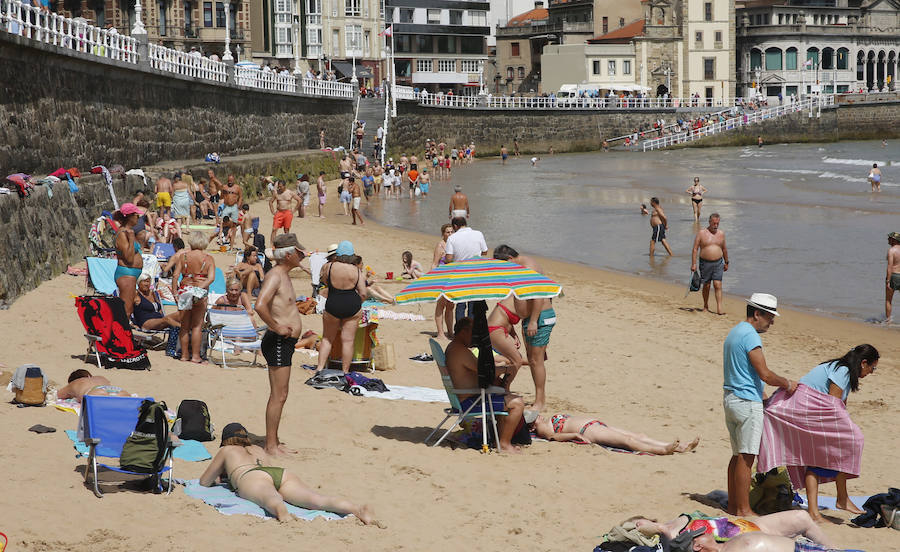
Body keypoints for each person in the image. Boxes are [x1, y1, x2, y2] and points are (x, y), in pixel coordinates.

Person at [758, 344, 878, 522]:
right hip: (805, 410)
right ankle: (839, 500)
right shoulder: (843, 370)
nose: (872, 372)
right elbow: (832, 405)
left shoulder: (842, 370)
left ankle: (821, 509)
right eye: (872, 368)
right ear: (863, 363)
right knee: (854, 440)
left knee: (818, 458)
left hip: (810, 411)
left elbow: (840, 407)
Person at [199, 423, 375, 524]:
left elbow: (204, 482)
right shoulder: (256, 448)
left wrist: (222, 476)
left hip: (251, 476)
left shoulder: (227, 450)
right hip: (279, 473)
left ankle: (281, 511)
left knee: (269, 497)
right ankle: (356, 509)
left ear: (225, 440)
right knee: (316, 499)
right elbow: (266, 472)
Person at [723, 293, 796, 517]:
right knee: (747, 458)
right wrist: (787, 383)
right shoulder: (751, 336)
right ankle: (744, 509)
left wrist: (762, 394)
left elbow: (744, 372)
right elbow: (764, 373)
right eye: (769, 317)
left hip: (731, 397)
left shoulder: (734, 332)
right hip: (746, 403)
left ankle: (733, 505)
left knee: (737, 456)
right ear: (757, 314)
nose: (772, 322)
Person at [254, 234, 306, 456]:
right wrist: (276, 327)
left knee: (281, 394)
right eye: (299, 252)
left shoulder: (283, 274)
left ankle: (273, 441)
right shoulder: (275, 275)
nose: (302, 255)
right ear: (289, 254)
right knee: (278, 395)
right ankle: (270, 445)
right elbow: (260, 305)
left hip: (284, 342)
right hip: (277, 341)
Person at [445, 317, 525, 453]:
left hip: (465, 398)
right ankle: (504, 444)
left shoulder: (454, 348)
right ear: (464, 331)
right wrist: (506, 369)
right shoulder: (460, 351)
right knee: (517, 403)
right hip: (470, 403)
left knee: (503, 394)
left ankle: (499, 440)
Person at [493, 245, 555, 413]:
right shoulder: (520, 266)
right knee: (534, 360)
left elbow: (538, 296)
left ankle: (540, 402)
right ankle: (539, 399)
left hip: (539, 318)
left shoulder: (528, 267)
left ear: (510, 260)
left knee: (536, 361)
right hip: (531, 319)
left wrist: (534, 321)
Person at [633, 510, 836, 551]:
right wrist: (659, 528)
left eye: (638, 521)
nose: (639, 525)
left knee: (801, 517)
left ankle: (834, 549)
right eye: (636, 526)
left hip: (756, 526)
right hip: (745, 543)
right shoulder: (673, 539)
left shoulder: (682, 519)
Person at [531, 413, 698, 454]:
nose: (538, 416)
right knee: (628, 440)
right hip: (587, 430)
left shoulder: (543, 422)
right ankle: (663, 450)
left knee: (639, 435)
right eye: (534, 418)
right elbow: (553, 437)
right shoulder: (541, 429)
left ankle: (680, 447)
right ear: (531, 427)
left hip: (594, 424)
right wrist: (574, 435)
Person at [316, 241, 366, 374]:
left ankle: (320, 368)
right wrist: (358, 302)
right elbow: (363, 292)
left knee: (327, 338)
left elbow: (324, 282)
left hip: (333, 303)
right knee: (348, 341)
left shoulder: (329, 266)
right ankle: (345, 371)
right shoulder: (356, 270)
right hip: (352, 305)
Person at [171, 232, 215, 363]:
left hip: (185, 289)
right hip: (199, 291)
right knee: (197, 326)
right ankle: (195, 356)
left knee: (184, 325)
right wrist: (200, 288)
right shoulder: (208, 258)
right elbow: (211, 278)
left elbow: (175, 275)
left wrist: (175, 292)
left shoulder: (183, 256)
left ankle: (184, 355)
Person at [445, 217, 488, 321]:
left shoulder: (452, 238)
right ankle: (472, 329)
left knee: (460, 303)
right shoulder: (478, 234)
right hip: (476, 272)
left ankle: (460, 330)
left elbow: (449, 258)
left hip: (460, 273)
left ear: (455, 226)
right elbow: (485, 251)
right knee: (473, 303)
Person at [691, 213, 729, 315]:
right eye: (714, 223)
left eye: (717, 223)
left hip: (718, 263)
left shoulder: (721, 234)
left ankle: (719, 308)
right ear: (709, 222)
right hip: (705, 263)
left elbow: (724, 249)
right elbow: (695, 249)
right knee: (706, 285)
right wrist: (694, 264)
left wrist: (727, 262)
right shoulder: (702, 233)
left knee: (717, 284)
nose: (716, 225)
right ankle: (705, 305)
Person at [113, 203, 144, 318]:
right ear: (130, 217)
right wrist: (131, 240)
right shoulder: (122, 234)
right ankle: (119, 334)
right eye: (137, 216)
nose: (138, 219)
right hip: (126, 274)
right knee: (126, 310)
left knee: (128, 309)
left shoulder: (129, 231)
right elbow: (129, 258)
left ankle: (121, 333)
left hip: (131, 274)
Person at [487, 295, 527, 378]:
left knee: (513, 359)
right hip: (495, 329)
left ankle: (499, 380)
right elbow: (525, 316)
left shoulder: (517, 298)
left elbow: (508, 318)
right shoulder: (519, 298)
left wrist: (514, 335)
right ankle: (505, 386)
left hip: (499, 330)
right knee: (517, 361)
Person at [432, 224, 455, 339]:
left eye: (451, 232)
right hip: (441, 279)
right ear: (443, 234)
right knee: (441, 305)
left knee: (451, 306)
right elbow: (435, 263)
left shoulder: (454, 245)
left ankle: (450, 332)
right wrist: (432, 279)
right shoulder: (440, 246)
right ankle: (440, 332)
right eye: (447, 232)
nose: (450, 234)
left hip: (452, 279)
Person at [57, 369, 131, 402]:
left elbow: (56, 394)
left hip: (95, 392)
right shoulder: (100, 377)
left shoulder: (75, 383)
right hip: (117, 390)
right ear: (89, 375)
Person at [268, 180, 300, 245]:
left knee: (286, 229)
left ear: (284, 186)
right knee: (274, 229)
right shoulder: (276, 193)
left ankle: (286, 244)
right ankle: (272, 245)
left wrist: (294, 210)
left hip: (287, 212)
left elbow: (299, 200)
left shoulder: (290, 193)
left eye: (281, 186)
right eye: (278, 187)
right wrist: (273, 212)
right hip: (279, 212)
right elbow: (271, 202)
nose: (279, 188)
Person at [885, 231, 900, 322]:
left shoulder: (892, 250)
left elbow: (889, 266)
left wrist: (888, 281)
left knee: (888, 300)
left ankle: (888, 321)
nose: (888, 239)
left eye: (889, 238)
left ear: (894, 240)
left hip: (893, 276)